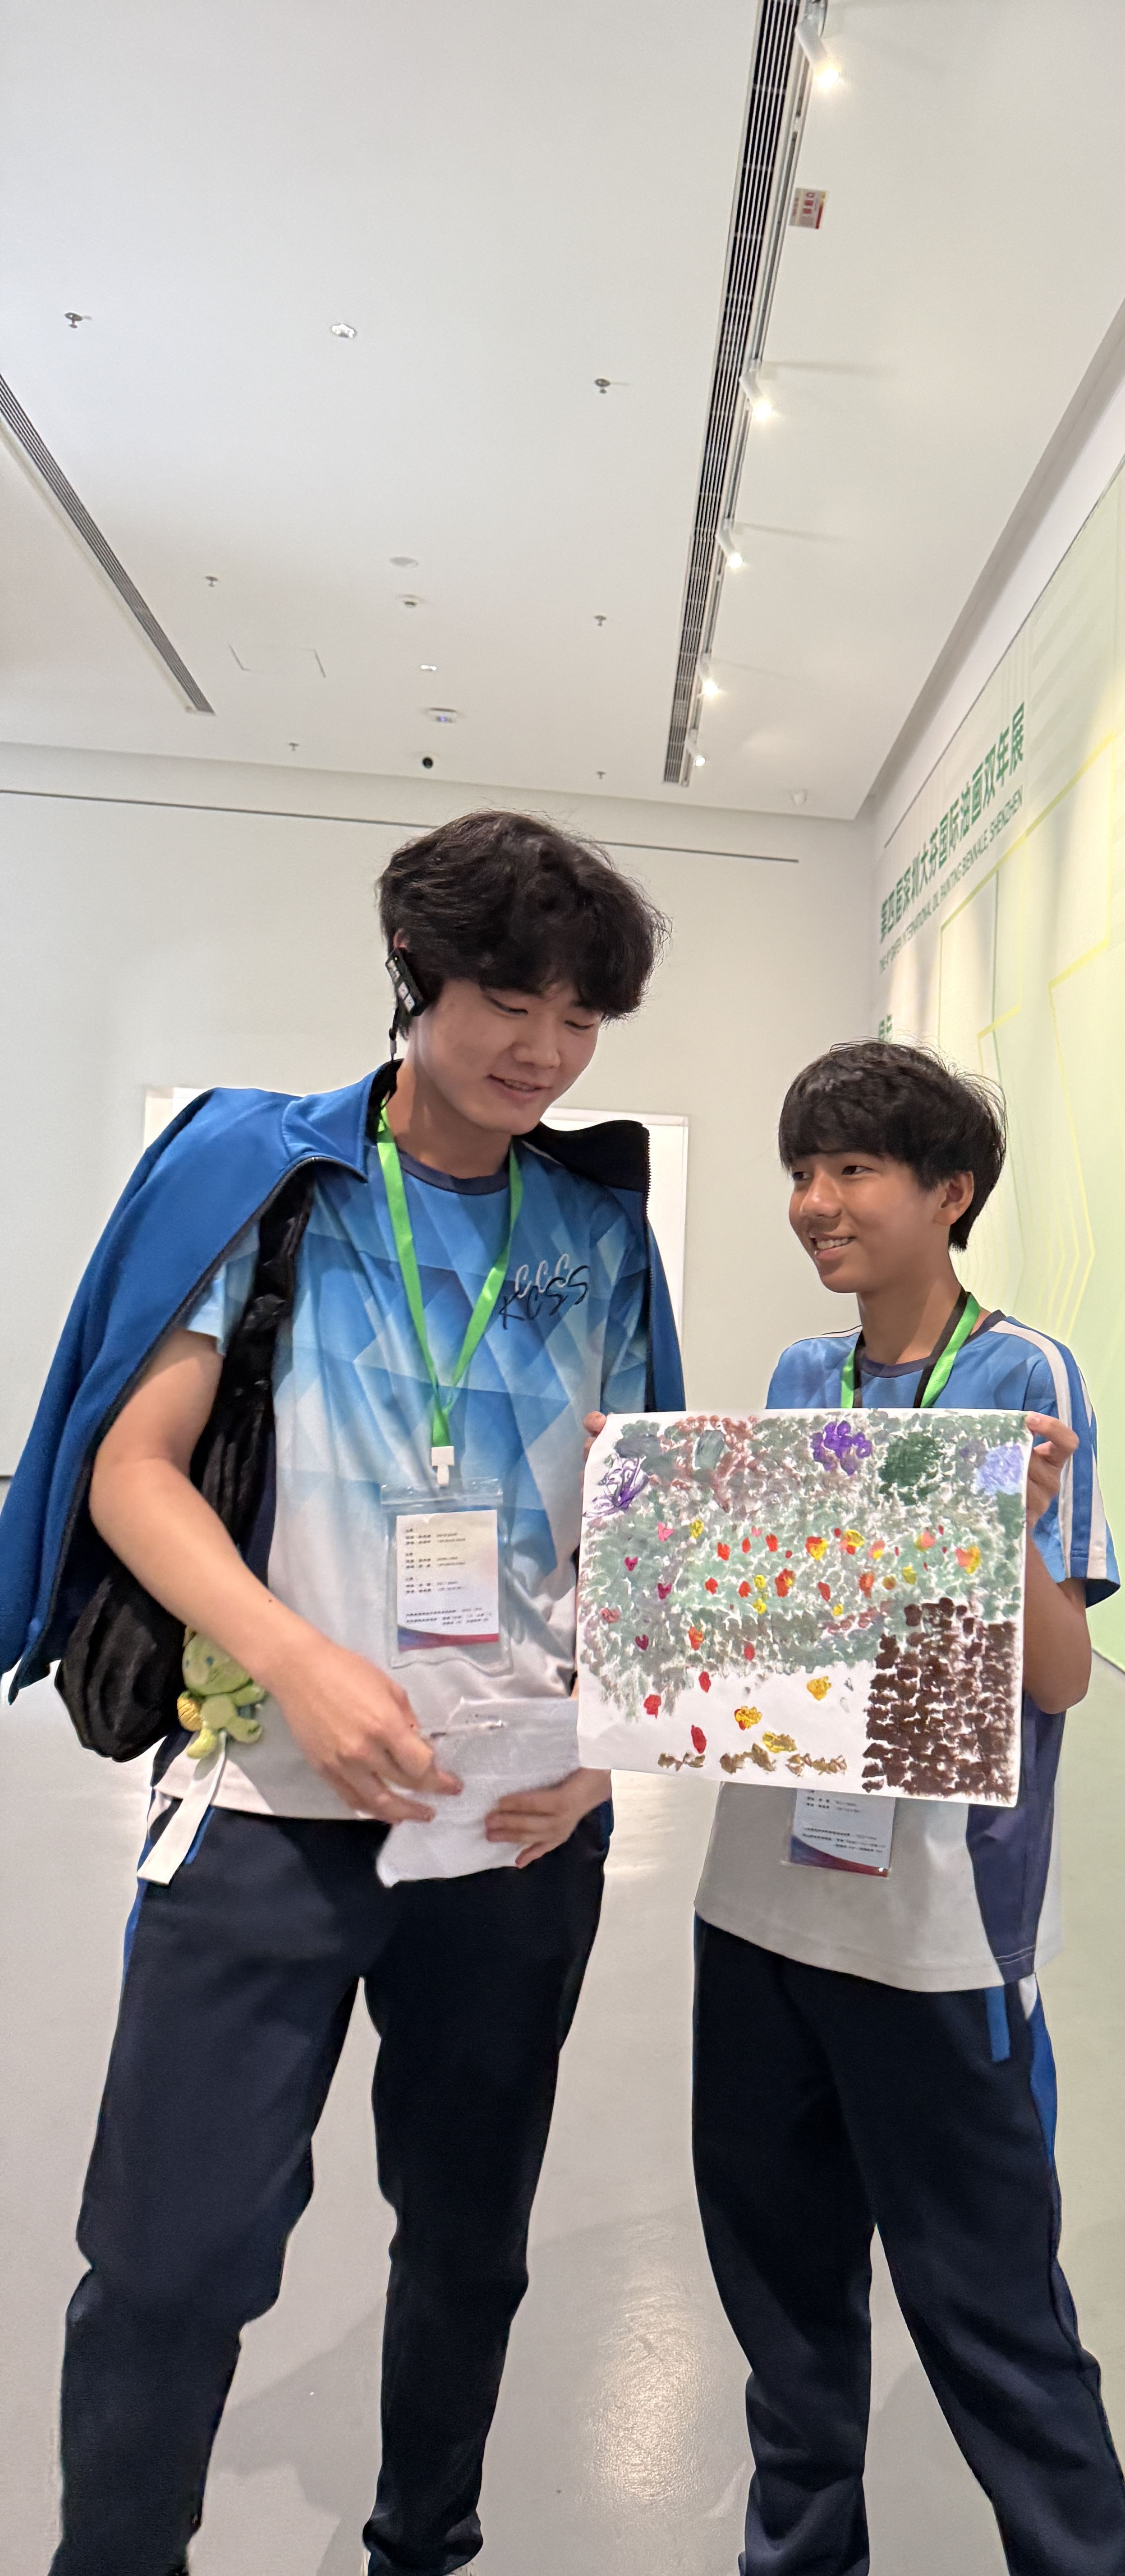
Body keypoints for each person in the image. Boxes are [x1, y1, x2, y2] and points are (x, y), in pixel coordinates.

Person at [0, 810, 681, 2576]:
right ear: (416, 973)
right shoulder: (271, 1180)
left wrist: (611, 1747)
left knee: (467, 2244)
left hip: (512, 1829)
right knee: (166, 2260)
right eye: (508, 1000)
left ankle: (422, 2545)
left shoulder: (598, 1234)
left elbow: (642, 1528)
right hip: (264, 1813)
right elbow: (133, 1472)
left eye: (580, 1019)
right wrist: (297, 1659)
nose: (544, 1051)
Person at [687, 1039, 1125, 2576]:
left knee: (994, 2321)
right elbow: (773, 1639)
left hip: (940, 1932)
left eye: (853, 1171)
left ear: (951, 1194)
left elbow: (1063, 1678)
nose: (816, 1204)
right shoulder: (796, 1380)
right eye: (801, 1173)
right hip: (761, 1906)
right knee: (784, 2314)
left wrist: (987, 1531)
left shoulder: (1023, 1380)